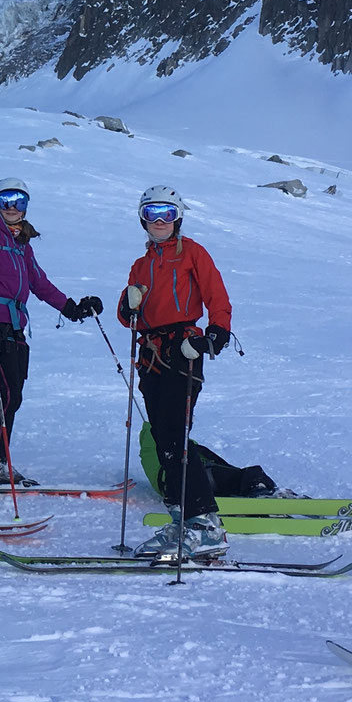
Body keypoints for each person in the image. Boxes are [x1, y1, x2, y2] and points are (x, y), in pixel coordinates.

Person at [0, 177, 102, 486]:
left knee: (13, 394)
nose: (13, 207)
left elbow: (39, 283)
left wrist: (71, 308)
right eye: (7, 200)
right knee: (6, 392)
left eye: (20, 201)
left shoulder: (22, 242)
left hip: (16, 326)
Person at [116, 186, 233, 559]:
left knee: (176, 437)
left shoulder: (193, 253)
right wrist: (126, 304)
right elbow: (128, 319)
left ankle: (206, 524)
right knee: (163, 438)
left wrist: (215, 335)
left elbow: (217, 296)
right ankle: (184, 519)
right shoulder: (140, 264)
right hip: (151, 357)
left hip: (183, 351)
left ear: (178, 216)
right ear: (142, 218)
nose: (160, 221)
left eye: (167, 212)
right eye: (152, 213)